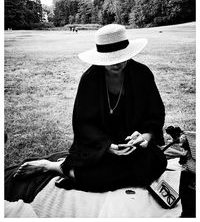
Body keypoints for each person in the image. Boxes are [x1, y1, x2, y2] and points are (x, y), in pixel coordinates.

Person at [13, 24, 167, 193]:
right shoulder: (89, 79)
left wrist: (144, 137)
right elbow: (83, 124)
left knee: (157, 164)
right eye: (111, 58)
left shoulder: (142, 74)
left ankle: (69, 171)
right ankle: (53, 167)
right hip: (99, 147)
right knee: (94, 177)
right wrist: (107, 146)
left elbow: (155, 114)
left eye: (121, 57)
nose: (117, 63)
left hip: (134, 146)